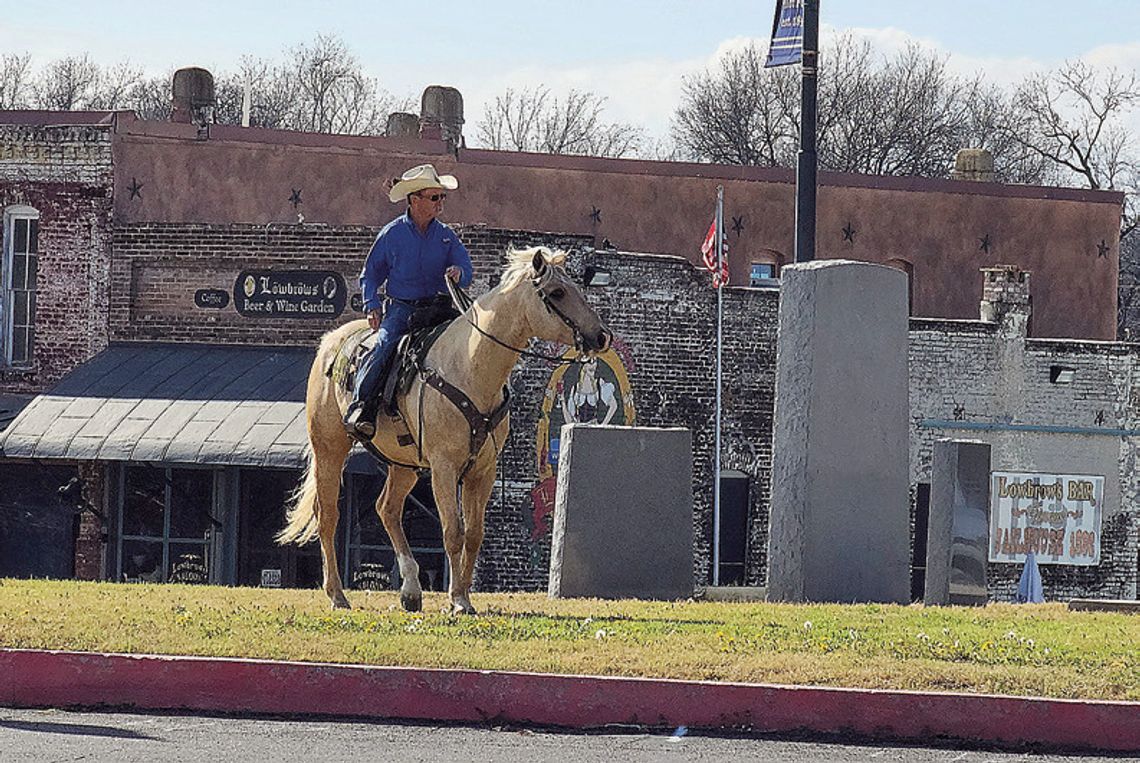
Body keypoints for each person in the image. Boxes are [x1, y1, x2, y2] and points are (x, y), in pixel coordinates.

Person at [344, 164, 473, 440]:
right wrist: (372, 305)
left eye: (442, 197)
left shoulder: (447, 236)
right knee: (383, 347)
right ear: (415, 200)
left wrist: (459, 272)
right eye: (434, 197)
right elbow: (370, 276)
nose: (441, 203)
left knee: (471, 343)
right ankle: (361, 408)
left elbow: (466, 268)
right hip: (403, 310)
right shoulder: (391, 235)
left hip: (439, 309)